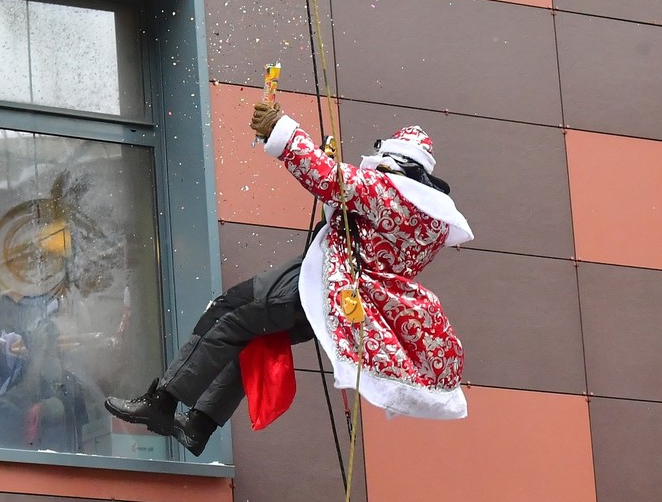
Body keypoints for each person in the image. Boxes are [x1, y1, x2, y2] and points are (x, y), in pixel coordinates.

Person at [105, 99, 474, 456]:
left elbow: (330, 179)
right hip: (341, 309)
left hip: (321, 284)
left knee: (228, 310)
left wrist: (280, 130)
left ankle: (163, 402)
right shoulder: (428, 221)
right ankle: (200, 424)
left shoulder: (391, 193)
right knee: (250, 337)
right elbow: (360, 219)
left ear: (396, 164)